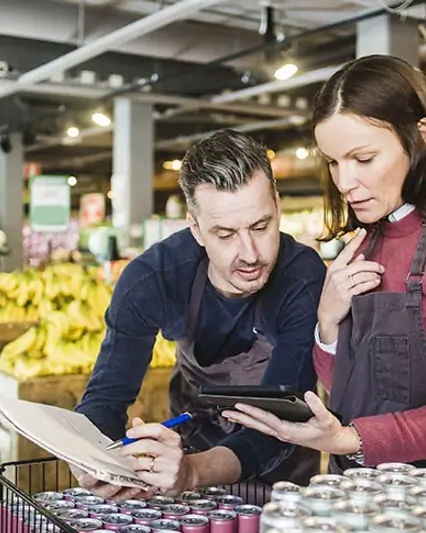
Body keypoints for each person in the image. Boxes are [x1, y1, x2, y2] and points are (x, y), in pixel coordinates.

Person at [221, 55, 426, 489]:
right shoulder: (364, 244)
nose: (345, 181)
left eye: (363, 158)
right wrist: (328, 324)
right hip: (357, 494)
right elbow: (353, 392)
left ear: (420, 137)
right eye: (333, 162)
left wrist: (349, 438)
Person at [73, 129, 326, 500]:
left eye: (261, 226)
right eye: (225, 234)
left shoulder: (302, 279)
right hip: (191, 460)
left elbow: (280, 422)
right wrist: (92, 458)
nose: (251, 253)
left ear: (277, 204)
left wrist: (192, 472)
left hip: (282, 477)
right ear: (195, 227)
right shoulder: (153, 279)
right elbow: (107, 397)